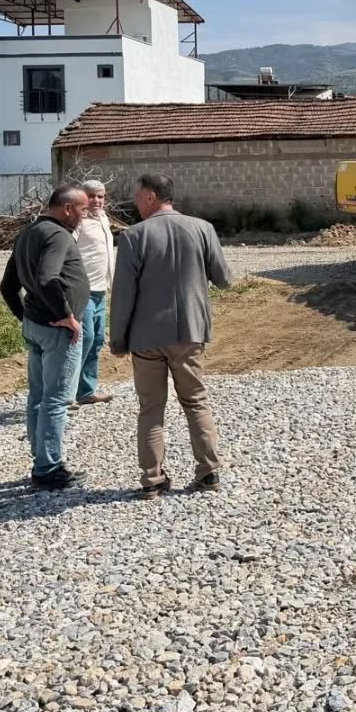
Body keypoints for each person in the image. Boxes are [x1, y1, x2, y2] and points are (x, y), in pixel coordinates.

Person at [110, 173, 232, 499]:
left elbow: (123, 294)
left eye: (137, 197)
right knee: (196, 402)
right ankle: (208, 472)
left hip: (146, 336)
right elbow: (224, 278)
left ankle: (152, 479)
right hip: (190, 332)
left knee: (151, 408)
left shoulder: (134, 236)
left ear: (151, 197)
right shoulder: (202, 228)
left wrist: (118, 338)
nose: (135, 202)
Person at [0, 184, 90, 490]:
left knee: (38, 396)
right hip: (57, 330)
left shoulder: (28, 233)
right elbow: (47, 277)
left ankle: (41, 459)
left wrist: (25, 316)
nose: (85, 215)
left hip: (36, 325)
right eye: (83, 209)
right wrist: (66, 315)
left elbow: (7, 286)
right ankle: (48, 468)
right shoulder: (58, 235)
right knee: (56, 399)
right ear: (67, 209)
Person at [73, 179, 115, 406]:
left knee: (97, 340)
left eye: (100, 196)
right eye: (91, 196)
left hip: (101, 290)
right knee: (85, 339)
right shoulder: (78, 221)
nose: (96, 201)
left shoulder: (103, 219)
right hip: (84, 291)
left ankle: (86, 391)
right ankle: (66, 393)